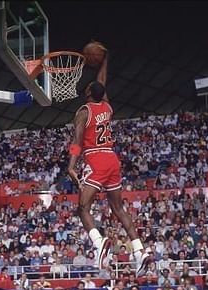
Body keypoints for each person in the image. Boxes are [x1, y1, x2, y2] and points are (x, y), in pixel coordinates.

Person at [66, 42, 149, 276]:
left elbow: (77, 141)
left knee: (83, 208)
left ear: (88, 92)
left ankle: (99, 243)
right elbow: (102, 81)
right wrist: (106, 57)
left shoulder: (84, 111)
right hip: (112, 158)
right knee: (118, 208)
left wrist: (71, 166)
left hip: (96, 159)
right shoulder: (108, 107)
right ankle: (139, 251)